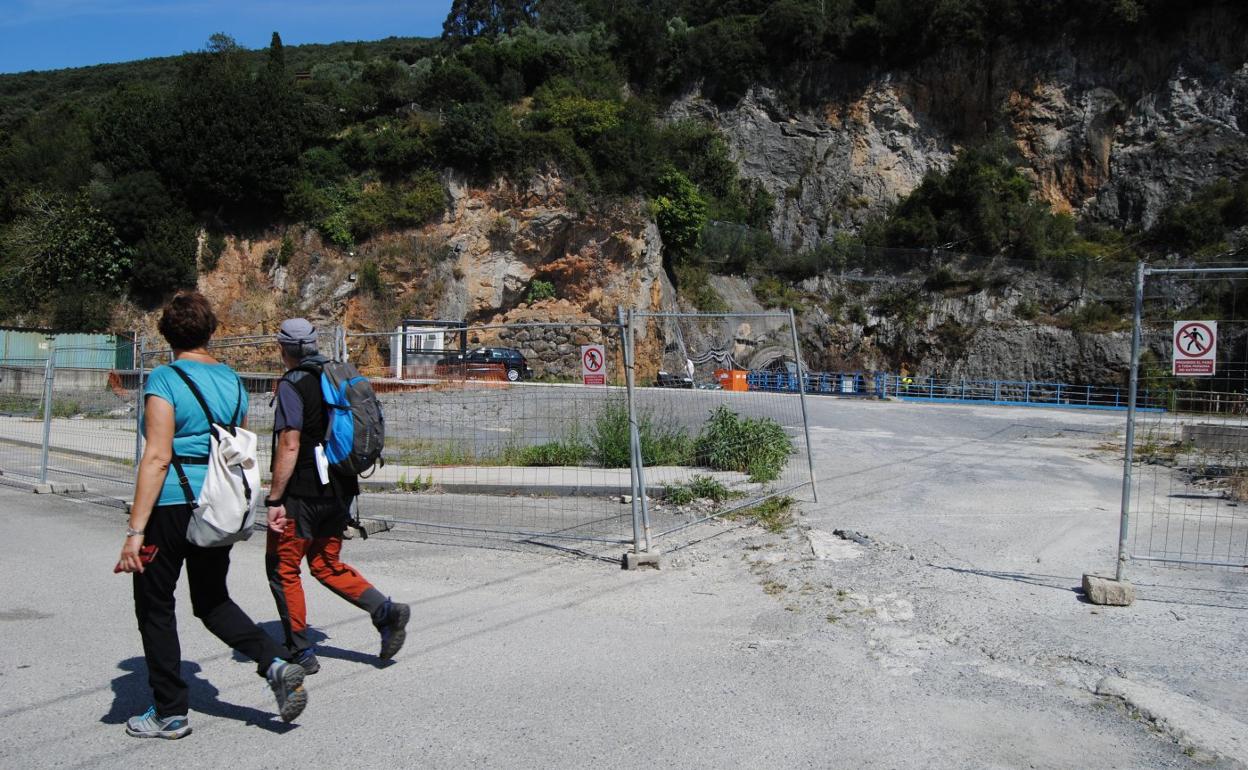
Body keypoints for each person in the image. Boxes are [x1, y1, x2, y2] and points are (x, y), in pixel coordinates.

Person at [116, 291, 308, 739]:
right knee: (212, 600)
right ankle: (275, 662)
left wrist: (134, 531)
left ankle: (170, 712)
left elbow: (158, 457)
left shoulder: (164, 379)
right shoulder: (231, 380)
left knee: (155, 605)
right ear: (210, 331)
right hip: (218, 503)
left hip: (170, 505)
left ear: (167, 334)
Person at [264, 318, 409, 674]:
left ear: (283, 349)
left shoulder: (292, 384)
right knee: (325, 564)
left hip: (302, 493)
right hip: (341, 488)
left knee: (283, 568)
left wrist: (274, 498)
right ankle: (385, 612)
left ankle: (299, 650)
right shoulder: (336, 374)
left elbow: (290, 442)